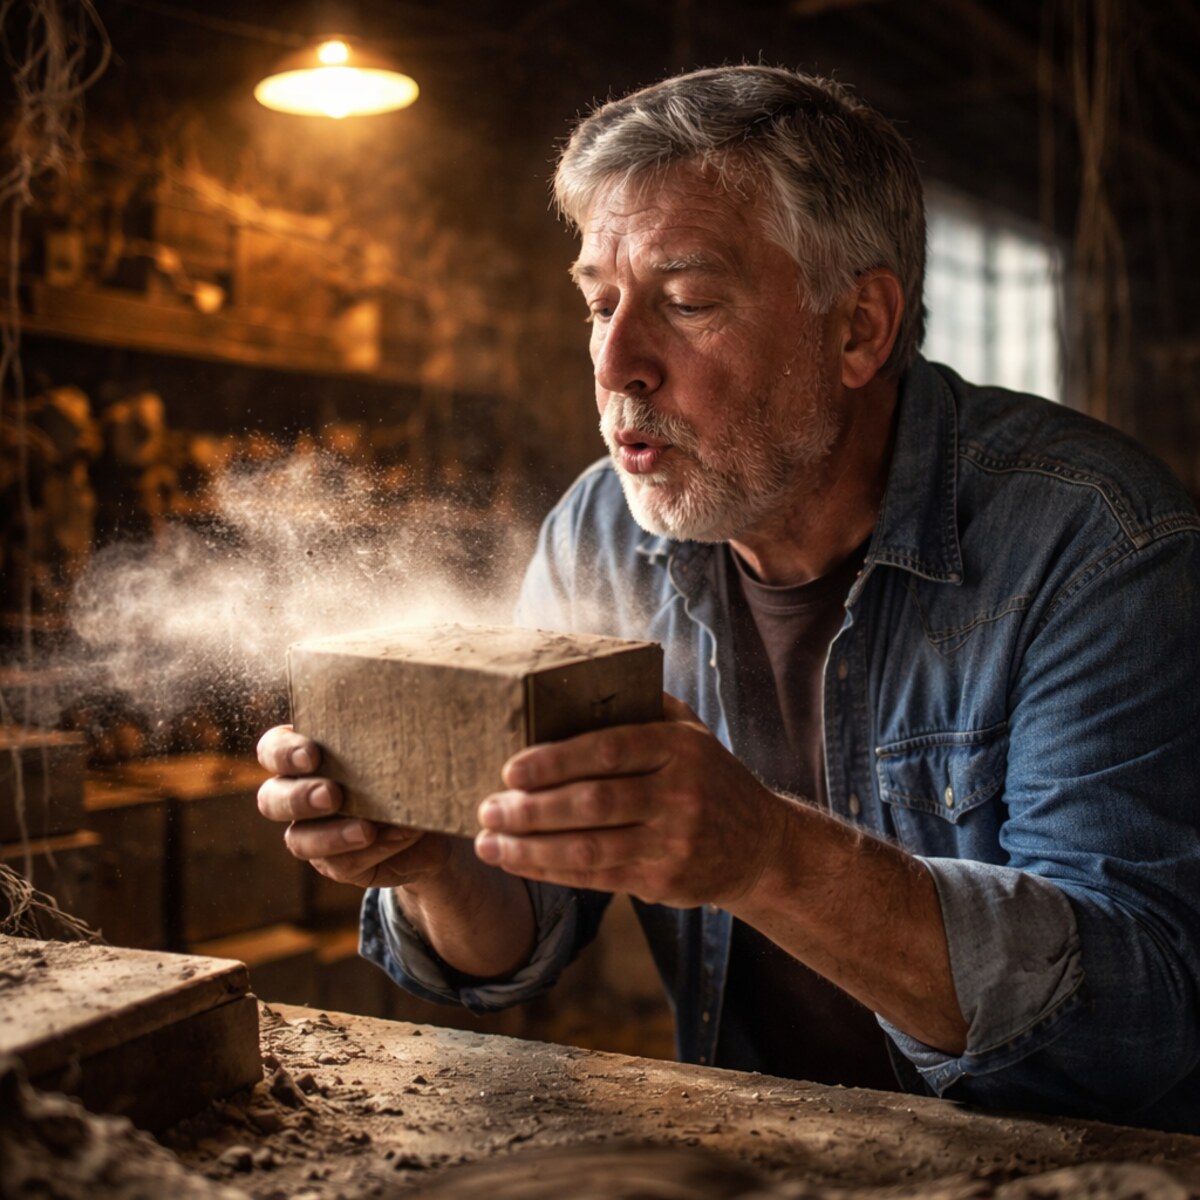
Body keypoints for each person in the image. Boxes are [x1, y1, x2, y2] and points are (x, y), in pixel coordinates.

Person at [256, 65, 1200, 1131]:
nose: (618, 364)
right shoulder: (601, 528)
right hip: (772, 1148)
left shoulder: (1098, 543)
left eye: (687, 302)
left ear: (858, 328)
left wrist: (767, 855)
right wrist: (431, 865)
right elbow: (519, 940)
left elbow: (1146, 1023)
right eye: (599, 304)